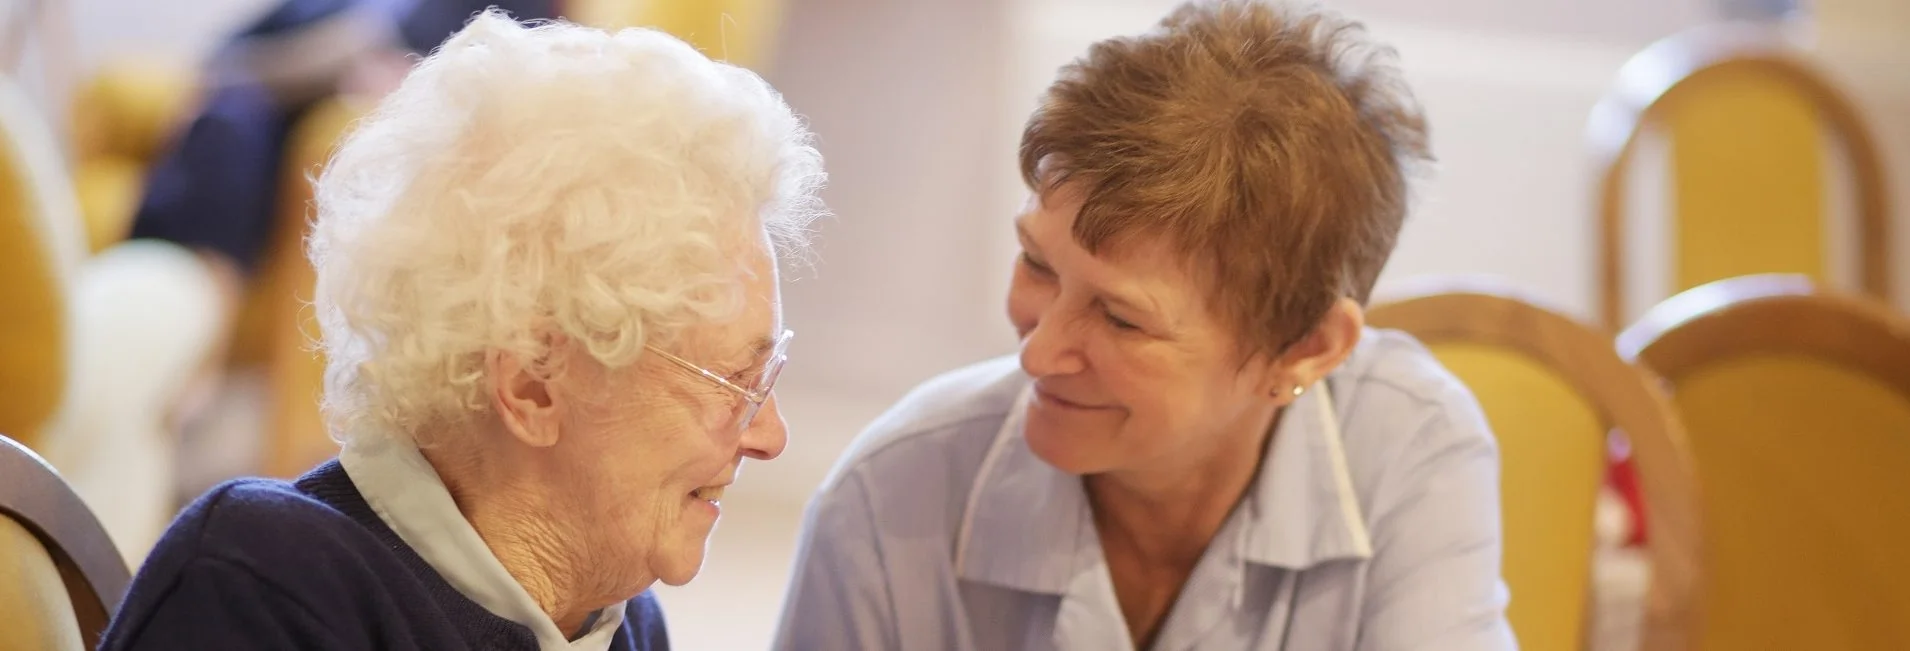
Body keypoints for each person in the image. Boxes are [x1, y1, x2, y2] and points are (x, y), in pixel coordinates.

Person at [774, 1, 1514, 649]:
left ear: (1305, 348)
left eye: (1122, 318)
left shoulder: (1411, 446)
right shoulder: (889, 498)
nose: (1039, 352)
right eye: (1037, 263)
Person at [98, 10, 824, 650]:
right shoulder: (262, 589)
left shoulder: (620, 618)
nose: (771, 435)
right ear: (533, 385)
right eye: (734, 382)